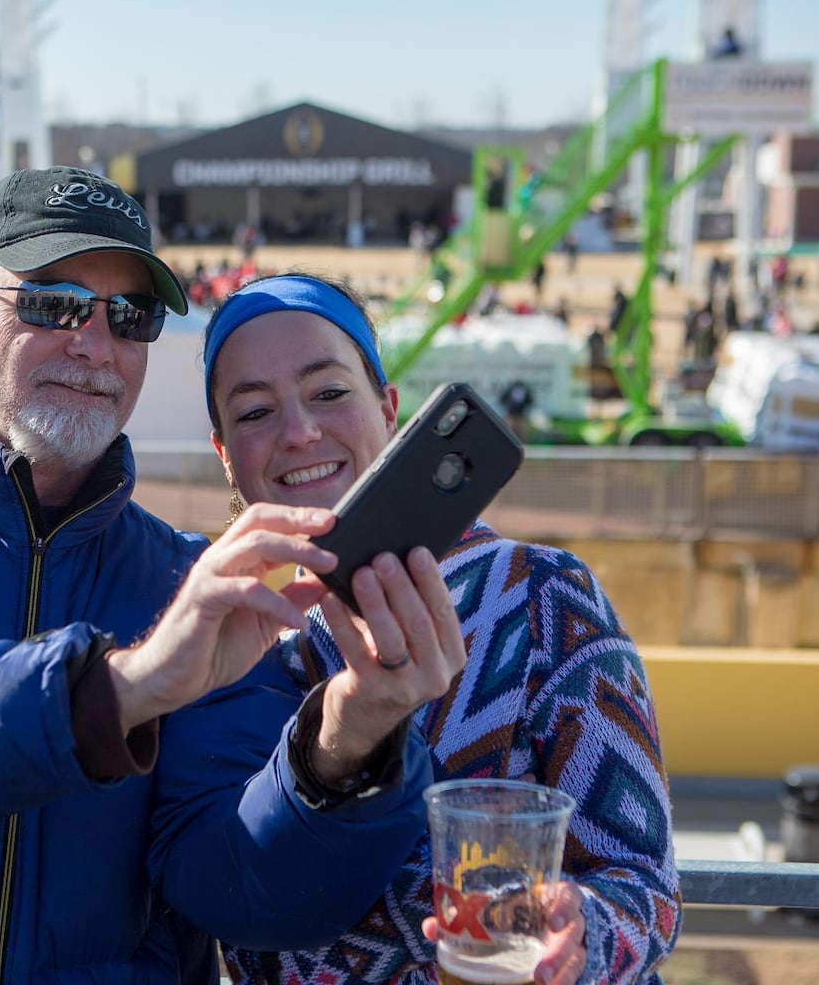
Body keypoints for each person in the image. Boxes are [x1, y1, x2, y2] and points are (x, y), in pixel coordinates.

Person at [0, 168, 451, 985]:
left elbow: (240, 889)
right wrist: (118, 692)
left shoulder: (191, 581)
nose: (94, 344)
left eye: (128, 317)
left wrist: (345, 743)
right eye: (52, 302)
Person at [202, 273, 681, 985]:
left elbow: (644, 884)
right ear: (224, 457)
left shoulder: (544, 599)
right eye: (253, 412)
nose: (299, 432)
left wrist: (579, 929)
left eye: (329, 392)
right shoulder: (219, 647)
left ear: (389, 410)